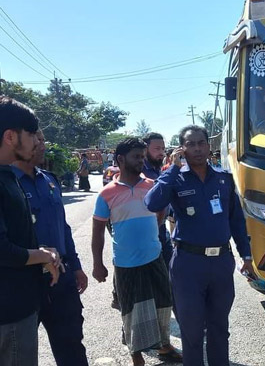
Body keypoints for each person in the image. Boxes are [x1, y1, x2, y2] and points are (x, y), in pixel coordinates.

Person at [0, 96, 62, 365]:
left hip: (20, 303)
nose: (36, 142)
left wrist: (44, 253)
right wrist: (42, 256)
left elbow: (15, 235)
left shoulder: (3, 174)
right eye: (30, 135)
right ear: (10, 136)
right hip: (7, 309)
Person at [145, 125, 254, 366]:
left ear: (208, 145)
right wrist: (172, 169)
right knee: (192, 331)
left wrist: (246, 255)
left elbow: (236, 220)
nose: (197, 149)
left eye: (201, 143)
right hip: (188, 265)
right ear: (182, 149)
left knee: (219, 328)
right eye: (190, 144)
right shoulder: (175, 179)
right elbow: (152, 203)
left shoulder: (224, 179)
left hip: (221, 263)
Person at [91, 137, 182, 366]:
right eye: (136, 157)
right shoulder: (106, 194)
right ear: (121, 159)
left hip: (154, 257)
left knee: (162, 303)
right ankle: (136, 356)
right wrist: (97, 264)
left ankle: (164, 346)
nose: (141, 160)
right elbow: (98, 231)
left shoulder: (150, 186)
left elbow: (161, 213)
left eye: (143, 156)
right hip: (126, 263)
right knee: (132, 311)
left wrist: (152, 232)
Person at [12, 130, 89, 365]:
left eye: (44, 139)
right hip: (24, 282)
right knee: (19, 354)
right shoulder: (5, 184)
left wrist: (75, 266)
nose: (42, 144)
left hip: (61, 281)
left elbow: (63, 228)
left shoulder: (50, 180)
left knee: (72, 347)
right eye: (36, 138)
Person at [141, 132, 173, 268]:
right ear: (145, 149)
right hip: (145, 236)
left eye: (163, 149)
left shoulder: (158, 170)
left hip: (161, 232)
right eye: (157, 149)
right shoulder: (139, 172)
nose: (162, 153)